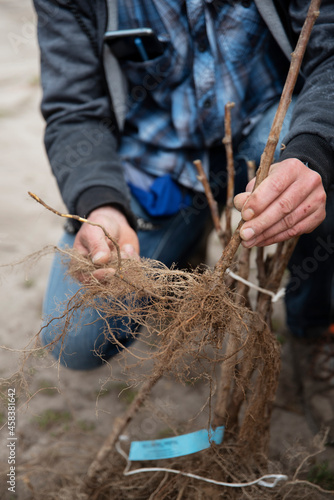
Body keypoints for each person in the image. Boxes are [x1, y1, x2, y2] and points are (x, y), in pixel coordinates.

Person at [33, 0, 334, 439]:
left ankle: (314, 330)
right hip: (155, 158)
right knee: (74, 337)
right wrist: (101, 204)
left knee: (324, 177)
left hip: (269, 124)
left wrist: (315, 150)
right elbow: (73, 108)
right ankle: (184, 246)